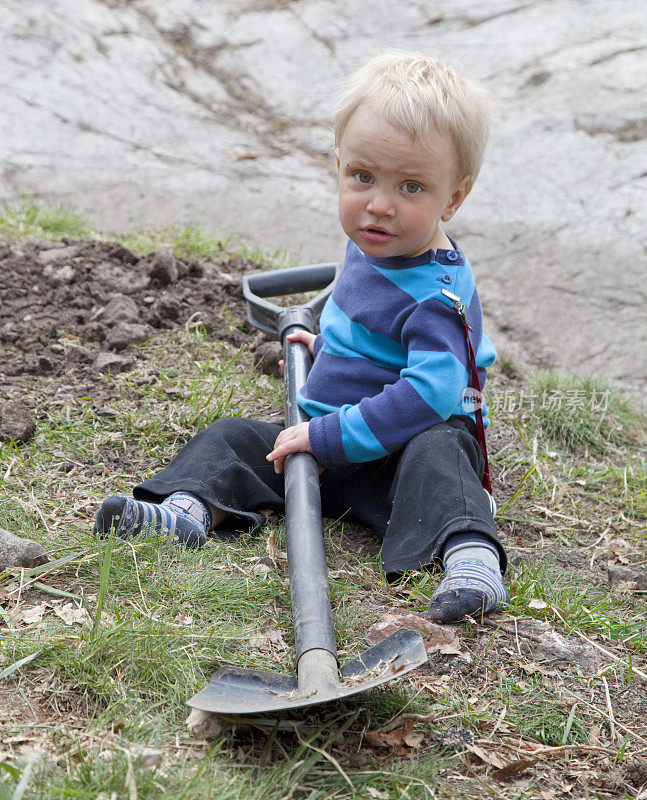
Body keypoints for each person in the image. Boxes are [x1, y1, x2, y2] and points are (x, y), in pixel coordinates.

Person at [94, 50, 508, 623]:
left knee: (440, 454)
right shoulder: (373, 240)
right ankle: (185, 511)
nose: (379, 205)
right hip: (326, 443)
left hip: (397, 457)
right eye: (362, 177)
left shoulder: (437, 296)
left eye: (411, 187)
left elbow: (431, 393)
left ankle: (469, 557)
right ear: (339, 164)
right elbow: (364, 325)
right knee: (233, 437)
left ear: (454, 197)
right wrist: (328, 351)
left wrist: (327, 435)